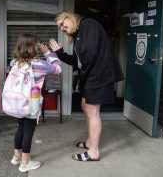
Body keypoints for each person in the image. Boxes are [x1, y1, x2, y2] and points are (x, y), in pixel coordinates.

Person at [48, 11, 124, 161]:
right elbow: (78, 62)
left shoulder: (88, 25)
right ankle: (90, 142)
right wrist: (60, 53)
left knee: (92, 111)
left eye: (63, 24)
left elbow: (90, 55)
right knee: (85, 105)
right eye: (60, 27)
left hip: (98, 76)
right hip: (90, 77)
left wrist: (84, 75)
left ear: (70, 17)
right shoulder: (79, 34)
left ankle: (94, 152)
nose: (62, 28)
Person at [10, 33, 61, 172]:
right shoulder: (39, 64)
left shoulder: (16, 63)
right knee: (28, 132)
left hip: (18, 103)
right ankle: (25, 163)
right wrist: (49, 54)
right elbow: (58, 69)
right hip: (31, 104)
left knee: (20, 128)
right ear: (33, 47)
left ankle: (17, 156)